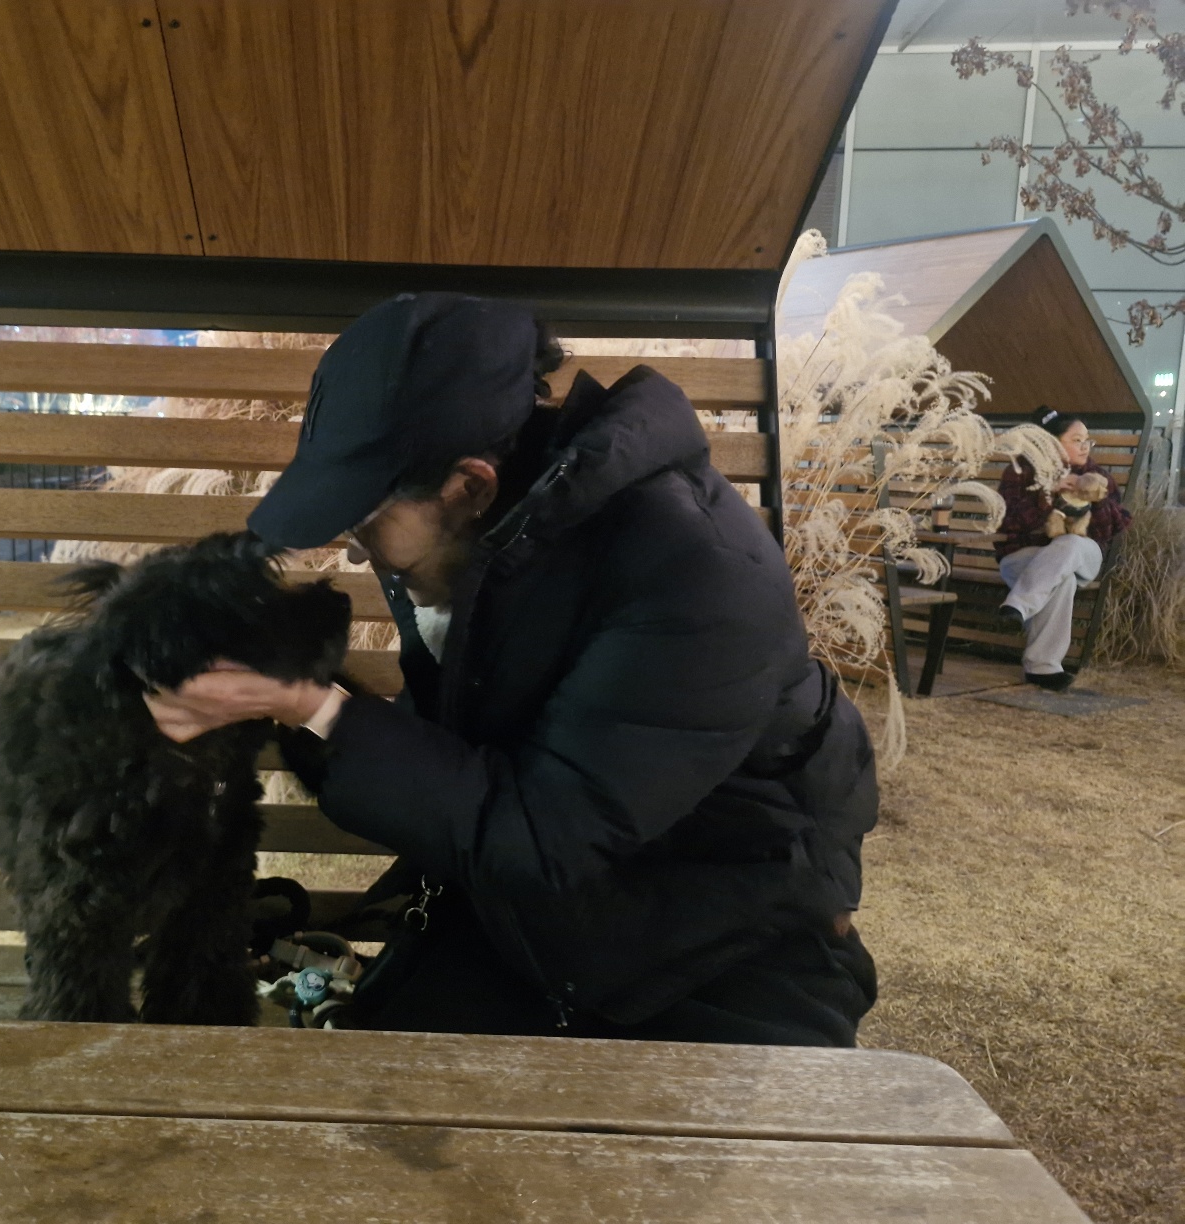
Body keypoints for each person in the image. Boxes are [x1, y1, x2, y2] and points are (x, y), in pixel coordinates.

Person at [145, 293, 878, 1046]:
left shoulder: (696, 577)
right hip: (545, 916)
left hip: (719, 948)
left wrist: (310, 704)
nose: (357, 549)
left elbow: (544, 838)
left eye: (364, 517)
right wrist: (294, 692)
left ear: (470, 485)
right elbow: (462, 764)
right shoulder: (487, 540)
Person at [996, 405, 1130, 691]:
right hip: (1024, 557)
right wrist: (1049, 492)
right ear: (1052, 443)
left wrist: (1093, 497)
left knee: (1068, 543)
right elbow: (1009, 521)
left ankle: (1018, 605)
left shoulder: (1096, 474)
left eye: (1087, 440)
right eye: (1076, 440)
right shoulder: (1021, 471)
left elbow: (1113, 527)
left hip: (1083, 555)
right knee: (1062, 579)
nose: (1085, 446)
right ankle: (1043, 669)